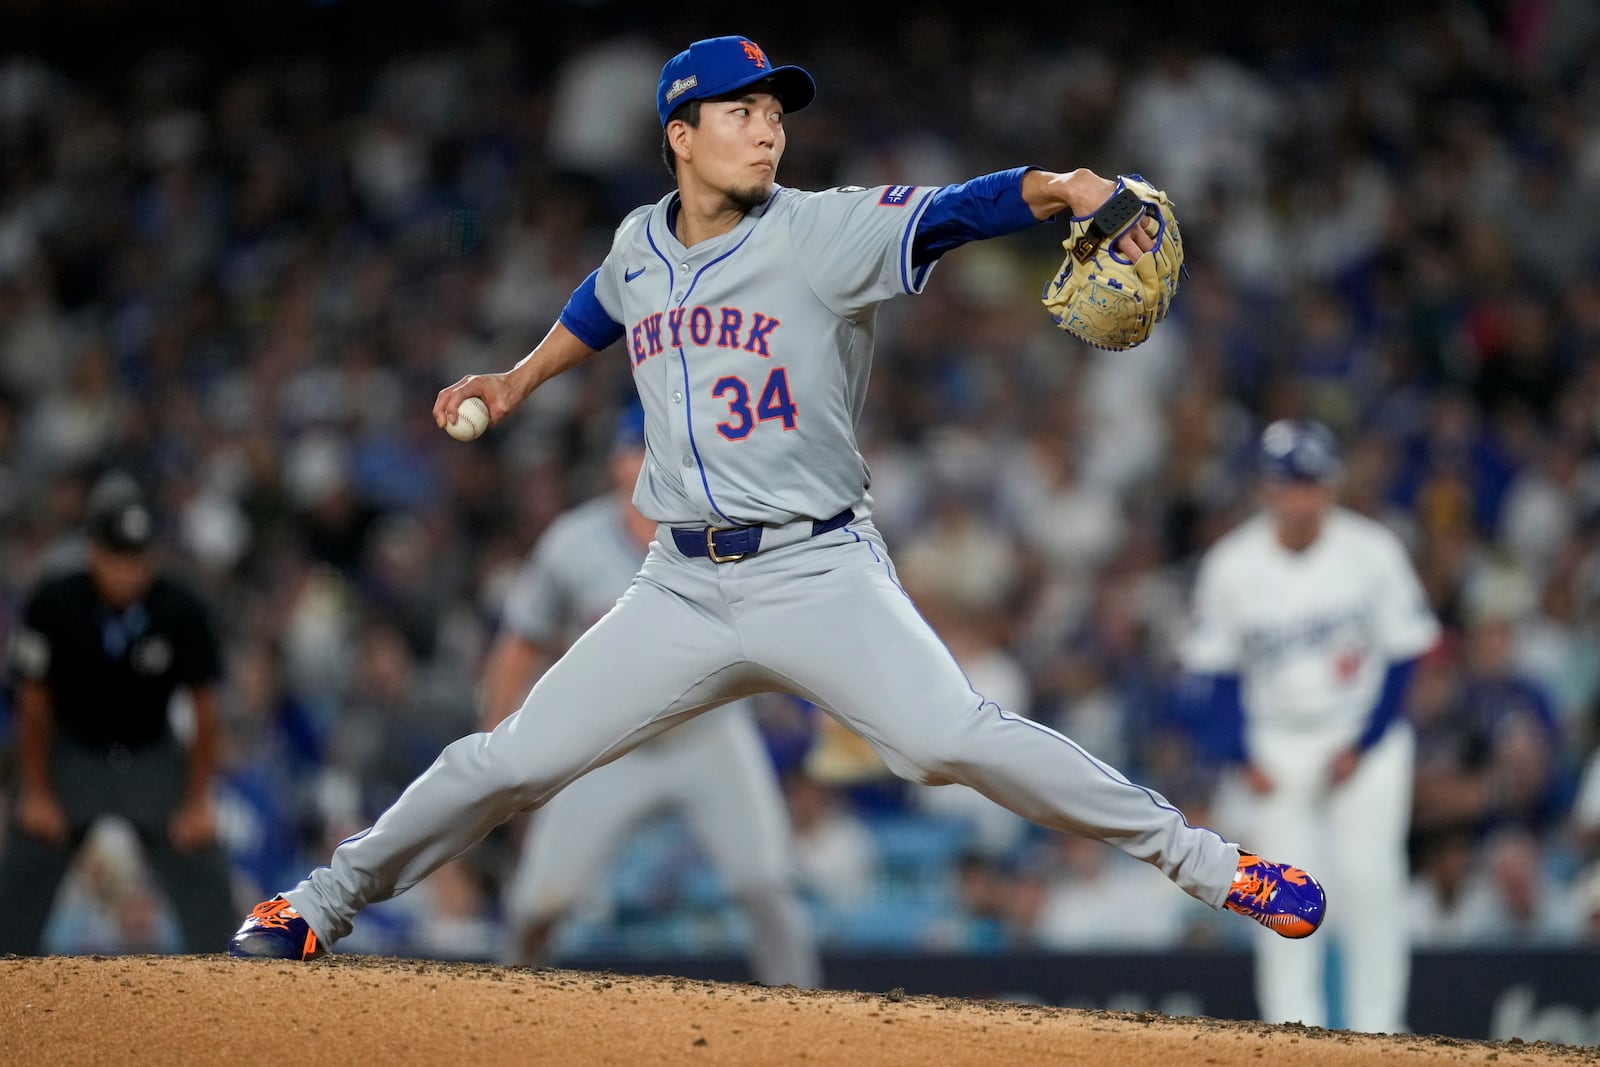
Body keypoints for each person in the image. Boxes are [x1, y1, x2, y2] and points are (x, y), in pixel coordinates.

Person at [230, 33, 1325, 965]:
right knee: (507, 760)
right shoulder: (638, 242)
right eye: (741, 111)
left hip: (817, 569)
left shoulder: (820, 231)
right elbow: (605, 300)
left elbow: (954, 211)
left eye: (773, 113)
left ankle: (1212, 864)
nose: (767, 130)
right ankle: (319, 905)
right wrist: (516, 378)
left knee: (949, 740)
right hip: (679, 585)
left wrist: (1067, 188)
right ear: (679, 133)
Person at [479, 409, 820, 986]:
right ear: (616, 464)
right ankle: (500, 1014)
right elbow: (520, 643)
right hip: (606, 749)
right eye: (635, 453)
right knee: (539, 905)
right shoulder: (573, 545)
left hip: (709, 741)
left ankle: (812, 1025)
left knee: (766, 886)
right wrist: (497, 745)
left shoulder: (727, 530)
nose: (646, 466)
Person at [1179, 419, 1440, 1032]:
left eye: (1310, 482)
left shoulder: (1372, 550)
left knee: (1370, 881)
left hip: (1362, 734)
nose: (1299, 496)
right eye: (1287, 483)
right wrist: (1243, 756)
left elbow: (1406, 656)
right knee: (1277, 895)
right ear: (1267, 490)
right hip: (1277, 740)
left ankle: (1379, 1031)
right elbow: (1214, 674)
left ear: (1331, 487)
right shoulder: (1231, 565)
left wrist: (1366, 742)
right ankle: (1292, 1030)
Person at [0, 477, 235, 953]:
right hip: (73, 755)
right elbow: (32, 702)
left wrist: (196, 800)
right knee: (26, 854)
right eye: (116, 557)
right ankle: (7, 967)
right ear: (93, 551)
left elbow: (205, 710)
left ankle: (230, 978)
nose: (128, 571)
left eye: (138, 558)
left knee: (203, 861)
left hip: (150, 755)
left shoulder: (182, 609)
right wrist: (38, 792)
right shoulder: (55, 603)